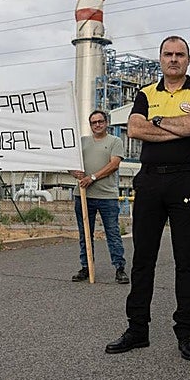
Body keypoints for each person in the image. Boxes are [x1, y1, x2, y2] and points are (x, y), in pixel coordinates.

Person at [105, 35, 190, 361]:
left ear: (188, 59)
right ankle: (138, 329)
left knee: (186, 260)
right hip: (150, 180)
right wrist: (177, 126)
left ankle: (185, 332)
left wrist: (159, 121)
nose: (174, 59)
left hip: (186, 179)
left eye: (180, 54)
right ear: (160, 59)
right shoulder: (144, 93)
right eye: (168, 54)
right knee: (143, 260)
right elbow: (135, 128)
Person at [69, 110, 128, 284]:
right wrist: (74, 172)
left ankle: (119, 268)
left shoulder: (115, 141)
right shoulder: (82, 142)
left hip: (106, 196)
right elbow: (71, 163)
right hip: (83, 195)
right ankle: (86, 267)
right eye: (93, 122)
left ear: (106, 122)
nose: (97, 125)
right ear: (90, 124)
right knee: (85, 233)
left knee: (112, 233)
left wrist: (92, 177)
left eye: (100, 121)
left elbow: (114, 165)